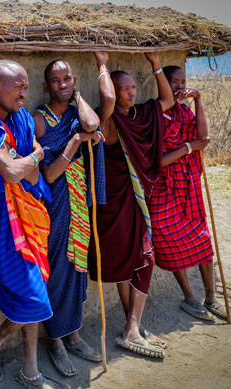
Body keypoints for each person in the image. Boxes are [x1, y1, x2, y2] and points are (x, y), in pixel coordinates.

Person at [0, 59, 70, 389]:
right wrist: (32, 157)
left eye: (26, 86)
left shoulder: (21, 118)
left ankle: (28, 366)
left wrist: (27, 161)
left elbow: (30, 176)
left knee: (35, 286)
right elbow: (10, 171)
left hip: (29, 209)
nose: (25, 92)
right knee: (32, 293)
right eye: (18, 86)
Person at [89, 51, 174, 358]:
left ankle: (132, 325)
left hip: (133, 199)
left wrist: (156, 65)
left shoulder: (141, 116)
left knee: (137, 259)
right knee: (140, 259)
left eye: (134, 87)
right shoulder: (109, 121)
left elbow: (168, 102)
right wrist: (103, 66)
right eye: (126, 88)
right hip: (113, 201)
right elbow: (108, 102)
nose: (133, 92)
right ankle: (133, 327)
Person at [147, 65, 231, 321]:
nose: (179, 86)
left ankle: (211, 297)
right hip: (165, 189)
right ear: (163, 84)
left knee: (202, 239)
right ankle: (189, 297)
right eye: (174, 82)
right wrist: (188, 148)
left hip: (188, 186)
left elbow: (204, 137)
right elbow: (156, 161)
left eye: (182, 81)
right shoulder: (155, 114)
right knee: (169, 241)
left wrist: (198, 100)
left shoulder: (185, 111)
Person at [33, 59, 104, 377]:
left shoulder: (77, 112)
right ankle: (56, 340)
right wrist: (74, 141)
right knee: (57, 270)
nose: (62, 84)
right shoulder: (40, 120)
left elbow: (91, 125)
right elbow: (47, 174)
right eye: (56, 80)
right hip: (56, 204)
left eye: (68, 79)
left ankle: (74, 333)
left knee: (76, 269)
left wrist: (77, 97)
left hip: (79, 203)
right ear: (46, 86)